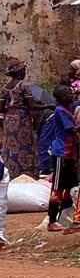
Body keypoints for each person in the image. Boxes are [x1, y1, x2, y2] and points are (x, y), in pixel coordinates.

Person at [0, 58, 46, 179]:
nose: (24, 73)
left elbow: (0, 108)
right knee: (25, 145)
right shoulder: (24, 86)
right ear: (19, 72)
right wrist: (48, 106)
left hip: (8, 121)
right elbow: (32, 106)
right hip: (22, 120)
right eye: (23, 71)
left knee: (11, 146)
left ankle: (12, 172)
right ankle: (27, 173)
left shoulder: (5, 88)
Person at [40, 85, 77, 232]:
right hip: (61, 153)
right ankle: (52, 221)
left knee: (69, 187)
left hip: (69, 154)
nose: (72, 94)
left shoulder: (67, 109)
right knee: (57, 188)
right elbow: (71, 129)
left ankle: (65, 216)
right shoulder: (60, 111)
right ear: (62, 97)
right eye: (68, 93)